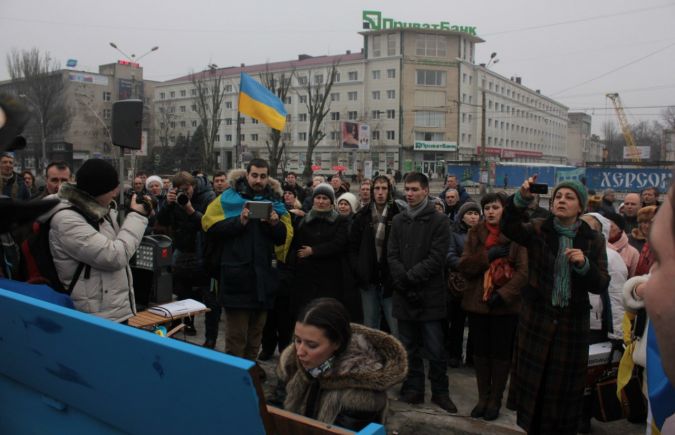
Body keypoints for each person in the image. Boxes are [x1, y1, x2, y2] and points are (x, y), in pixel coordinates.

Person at [501, 178, 609, 435]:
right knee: (533, 391)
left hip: (571, 327)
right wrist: (521, 198)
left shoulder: (593, 239)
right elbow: (508, 226)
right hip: (537, 322)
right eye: (558, 196)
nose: (561, 200)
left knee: (561, 395)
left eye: (569, 197)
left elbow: (601, 283)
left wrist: (584, 266)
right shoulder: (539, 229)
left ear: (581, 207)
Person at [201, 159, 292, 363]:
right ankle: (234, 378)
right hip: (237, 280)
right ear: (247, 175)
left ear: (268, 177)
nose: (258, 180)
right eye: (254, 175)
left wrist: (274, 224)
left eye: (263, 176)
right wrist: (239, 222)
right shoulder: (228, 198)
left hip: (263, 281)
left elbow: (282, 238)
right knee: (236, 341)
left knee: (254, 340)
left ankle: (251, 373)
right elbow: (210, 228)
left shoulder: (275, 201)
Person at [277, 298, 407, 431]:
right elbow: (276, 406)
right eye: (298, 340)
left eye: (312, 345)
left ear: (337, 343)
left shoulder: (362, 390)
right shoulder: (291, 362)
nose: (299, 352)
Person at [388, 172, 457, 413]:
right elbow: (392, 255)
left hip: (429, 295)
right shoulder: (398, 220)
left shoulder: (439, 221)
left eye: (415, 189)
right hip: (404, 294)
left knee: (435, 348)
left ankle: (440, 392)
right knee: (408, 346)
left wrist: (410, 277)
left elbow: (437, 258)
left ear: (426, 191)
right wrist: (403, 279)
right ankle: (413, 389)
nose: (410, 194)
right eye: (407, 189)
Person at [48, 159, 149, 322]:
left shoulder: (98, 210)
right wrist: (137, 216)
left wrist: (133, 212)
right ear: (97, 191)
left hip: (110, 310)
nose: (115, 194)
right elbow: (115, 256)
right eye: (111, 190)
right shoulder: (67, 220)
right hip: (92, 317)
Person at [459, 192, 527, 421]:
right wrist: (487, 256)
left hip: (505, 306)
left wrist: (504, 294)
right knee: (480, 353)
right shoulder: (475, 232)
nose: (490, 212)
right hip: (478, 303)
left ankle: (495, 399)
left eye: (495, 207)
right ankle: (482, 397)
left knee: (500, 354)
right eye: (487, 208)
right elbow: (464, 265)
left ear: (504, 209)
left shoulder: (516, 233)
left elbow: (524, 272)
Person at [289, 183, 360, 322]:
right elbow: (297, 245)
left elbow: (339, 244)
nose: (321, 201)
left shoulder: (340, 221)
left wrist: (313, 251)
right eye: (318, 197)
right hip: (307, 278)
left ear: (331, 202)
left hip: (330, 277)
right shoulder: (304, 221)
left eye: (325, 198)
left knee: (327, 315)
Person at [157, 171, 215, 340]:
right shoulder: (174, 199)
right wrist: (168, 204)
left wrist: (190, 210)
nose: (185, 193)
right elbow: (162, 221)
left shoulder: (207, 197)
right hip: (182, 248)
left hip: (201, 250)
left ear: (193, 186)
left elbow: (207, 225)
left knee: (201, 291)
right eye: (180, 190)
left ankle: (198, 328)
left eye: (187, 189)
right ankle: (179, 323)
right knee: (180, 288)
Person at [349, 175, 402, 337]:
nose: (380, 192)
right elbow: (353, 247)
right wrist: (359, 269)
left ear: (389, 191)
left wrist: (398, 273)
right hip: (368, 278)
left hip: (390, 279)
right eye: (377, 188)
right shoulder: (362, 215)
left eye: (384, 188)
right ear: (372, 191)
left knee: (396, 326)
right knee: (370, 326)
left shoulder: (398, 214)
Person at [446, 201, 481, 368]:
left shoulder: (484, 234)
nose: (473, 217)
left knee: (475, 323)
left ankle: (472, 357)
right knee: (457, 322)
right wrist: (467, 266)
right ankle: (455, 354)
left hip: (478, 284)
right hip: (460, 285)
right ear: (462, 216)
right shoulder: (454, 234)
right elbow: (449, 255)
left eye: (476, 213)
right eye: (469, 213)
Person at [605, 211, 639, 277]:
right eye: (604, 226)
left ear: (620, 229)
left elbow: (634, 278)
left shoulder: (633, 253)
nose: (607, 229)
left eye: (611, 226)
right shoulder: (596, 246)